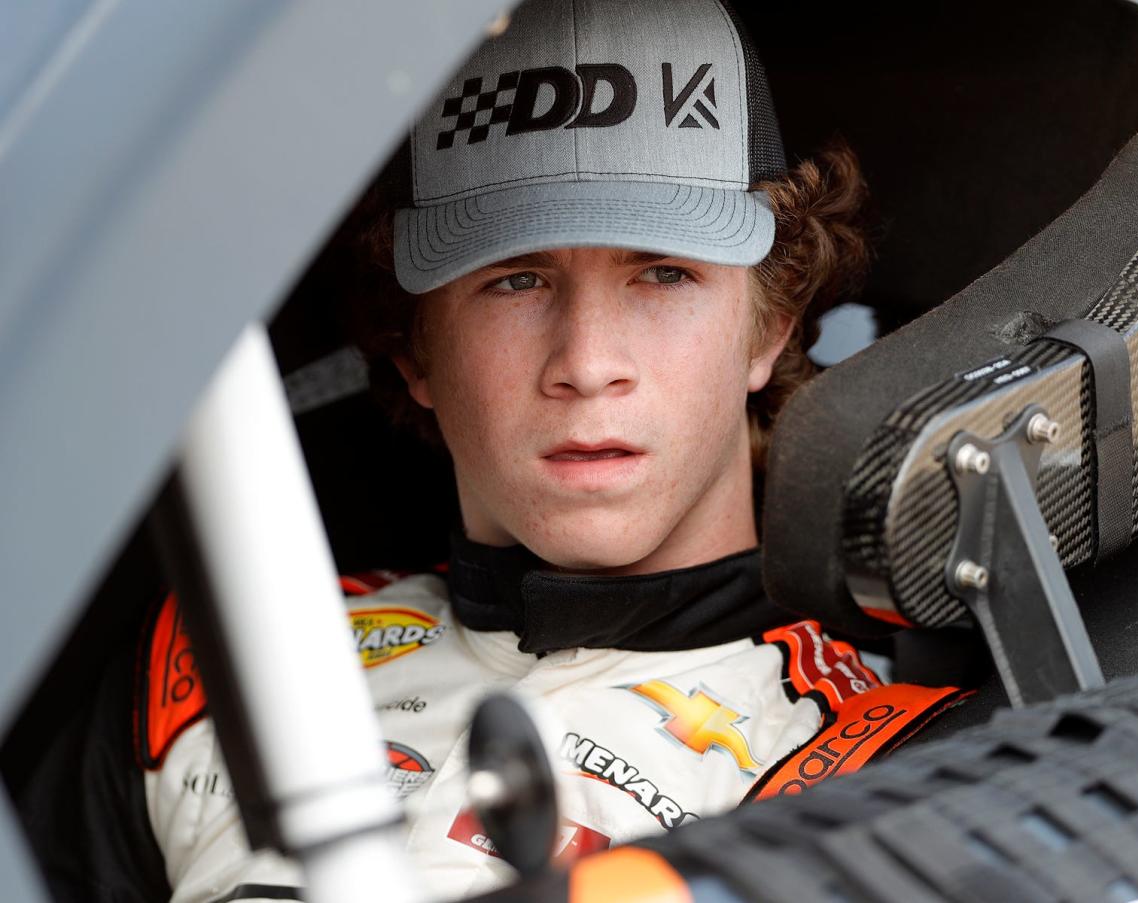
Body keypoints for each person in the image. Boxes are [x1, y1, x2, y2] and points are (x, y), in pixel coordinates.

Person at [19, 1, 964, 901]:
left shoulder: (873, 775)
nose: (588, 363)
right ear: (411, 343)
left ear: (773, 324)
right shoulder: (212, 662)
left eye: (664, 273)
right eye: (516, 279)